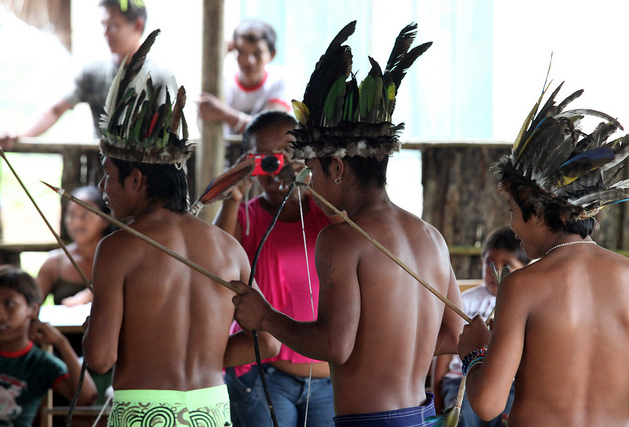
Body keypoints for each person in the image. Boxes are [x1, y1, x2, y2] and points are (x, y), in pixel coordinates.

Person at [232, 21, 465, 426]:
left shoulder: (341, 238)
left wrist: (266, 317)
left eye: (315, 170)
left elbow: (335, 346)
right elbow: (456, 336)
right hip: (419, 414)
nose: (309, 180)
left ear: (337, 167)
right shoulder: (431, 237)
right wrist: (391, 350)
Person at [82, 32, 278, 427]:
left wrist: (93, 333)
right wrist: (200, 355)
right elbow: (268, 340)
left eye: (108, 177)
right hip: (212, 409)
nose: (104, 190)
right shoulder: (228, 248)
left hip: (143, 410)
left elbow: (101, 358)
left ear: (136, 179)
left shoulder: (119, 248)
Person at [457, 83, 629, 426]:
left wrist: (476, 352)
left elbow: (487, 404)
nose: (512, 226)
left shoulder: (523, 285)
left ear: (539, 213)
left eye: (512, 210)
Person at [214, 110, 335, 426]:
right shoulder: (246, 217)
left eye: (285, 155)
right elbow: (212, 264)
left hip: (331, 379)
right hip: (264, 375)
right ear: (249, 162)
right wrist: (232, 196)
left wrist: (309, 175)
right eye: (264, 159)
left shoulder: (329, 213)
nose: (275, 168)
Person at [0, 0, 172, 150]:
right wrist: (20, 135)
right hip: (102, 171)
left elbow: (166, 130)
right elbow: (55, 109)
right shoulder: (92, 72)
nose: (106, 33)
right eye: (103, 25)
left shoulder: (158, 77)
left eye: (113, 26)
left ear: (137, 26)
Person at [432, 226, 529, 427]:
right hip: (461, 380)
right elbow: (446, 350)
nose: (496, 273)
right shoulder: (464, 301)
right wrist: (436, 391)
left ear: (524, 268)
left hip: (508, 384)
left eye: (507, 265)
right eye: (490, 264)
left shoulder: (523, 305)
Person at [0, 265, 97, 426]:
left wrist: (61, 343)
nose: (0, 314)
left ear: (33, 309)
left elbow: (87, 397)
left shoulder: (39, 363)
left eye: (9, 304)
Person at [197, 19, 291, 135]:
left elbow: (270, 129)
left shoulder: (279, 81)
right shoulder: (224, 81)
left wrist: (223, 113)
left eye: (257, 53)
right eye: (241, 52)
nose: (248, 61)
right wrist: (216, 57)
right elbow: (205, 121)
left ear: (272, 55)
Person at [37, 186, 114, 307]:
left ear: (106, 219)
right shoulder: (54, 263)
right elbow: (31, 307)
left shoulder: (120, 259)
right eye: (72, 215)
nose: (77, 222)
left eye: (85, 214)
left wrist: (90, 295)